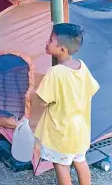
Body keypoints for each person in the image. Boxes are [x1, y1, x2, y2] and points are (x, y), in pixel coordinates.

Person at [35, 23, 99, 185]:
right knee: (80, 162)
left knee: (61, 166)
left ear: (62, 49)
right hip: (80, 131)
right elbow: (92, 89)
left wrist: (31, 95)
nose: (46, 43)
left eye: (50, 40)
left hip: (61, 134)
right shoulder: (81, 66)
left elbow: (42, 101)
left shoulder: (55, 72)